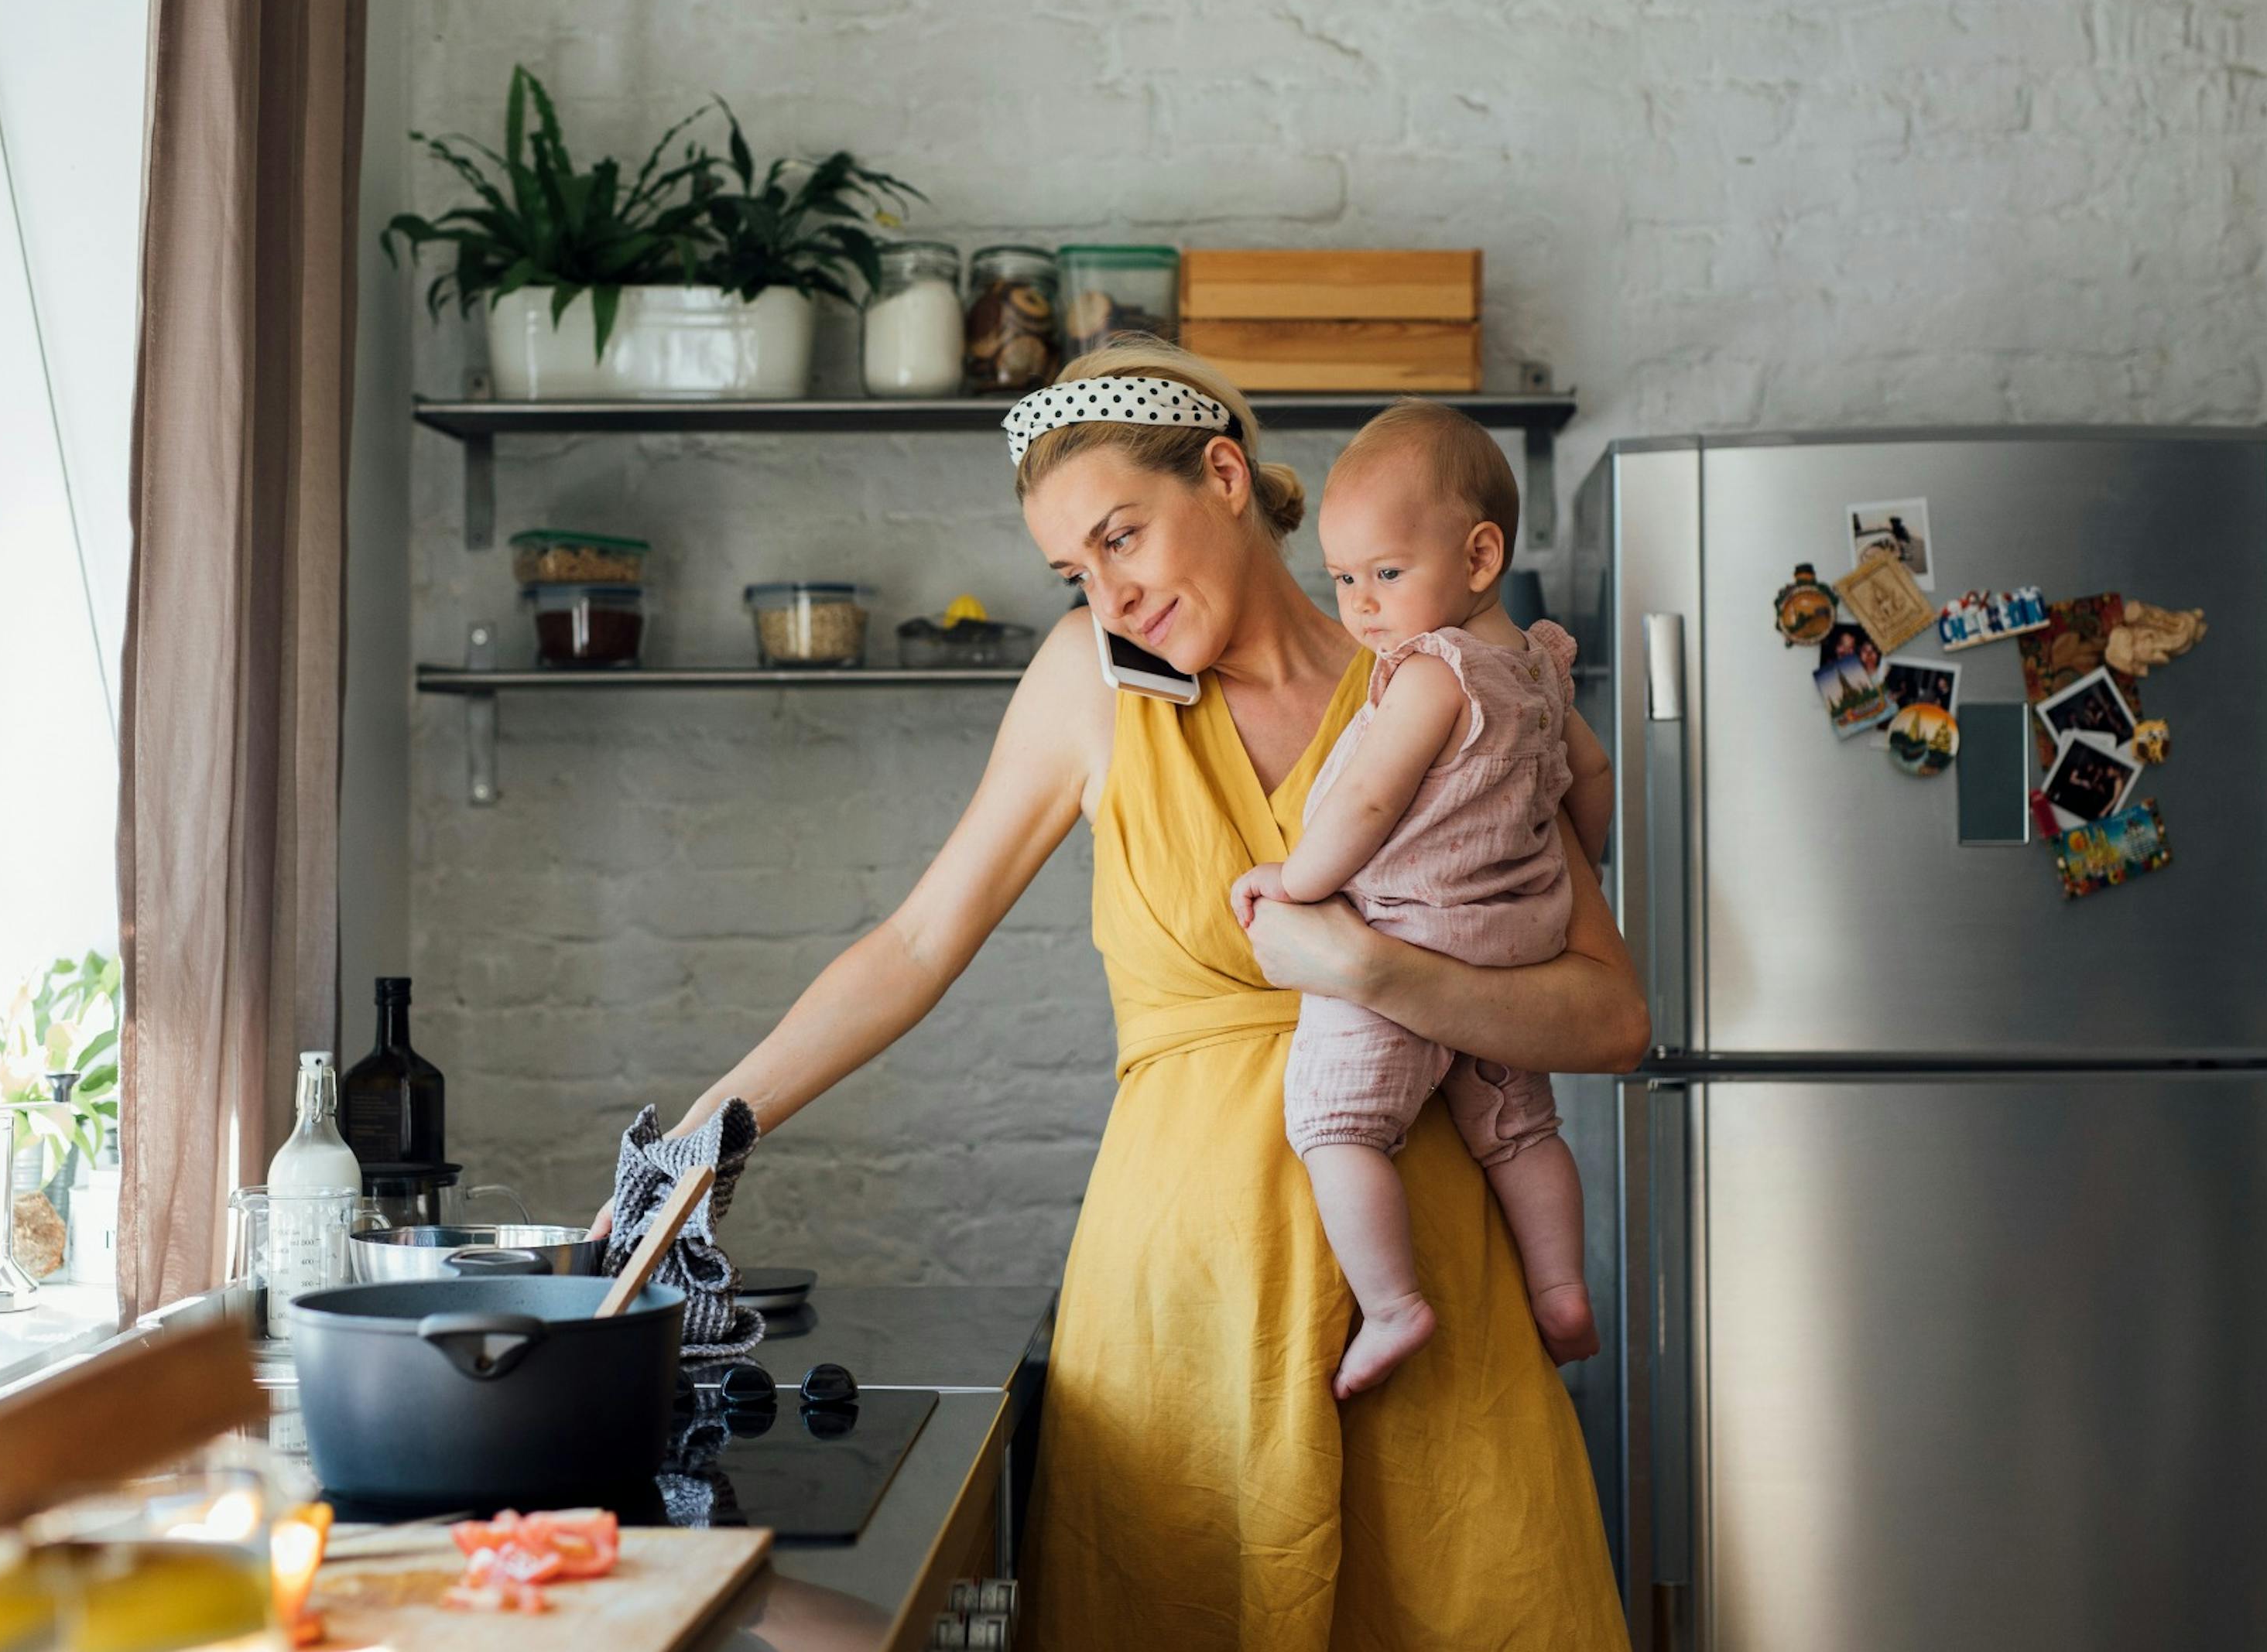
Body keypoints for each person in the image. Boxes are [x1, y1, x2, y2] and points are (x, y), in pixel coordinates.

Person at [606, 340, 1642, 1649]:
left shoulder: (1440, 678)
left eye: (1123, 539)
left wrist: (1378, 972)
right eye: (1073, 572)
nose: (1111, 594)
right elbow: (921, 941)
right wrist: (706, 1132)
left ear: (1222, 475)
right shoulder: (1089, 683)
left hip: (1431, 1316)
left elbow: (1613, 1018)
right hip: (1180, 1313)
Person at [1228, 401, 1613, 1399]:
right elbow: (1596, 773)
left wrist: (1297, 882)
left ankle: (1393, 1304)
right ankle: (1563, 1287)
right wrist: (1590, 869)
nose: (1359, 607)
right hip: (1515, 949)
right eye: (1343, 578)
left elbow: (1364, 798)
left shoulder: (1431, 673)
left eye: (1385, 574)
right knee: (1522, 1130)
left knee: (1336, 1127)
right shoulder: (1539, 666)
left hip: (1404, 935)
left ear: (1480, 557)